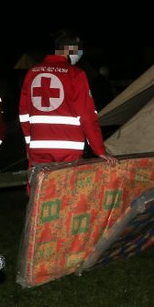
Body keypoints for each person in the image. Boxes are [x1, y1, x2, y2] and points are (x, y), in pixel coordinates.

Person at [18, 32, 117, 192]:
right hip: (68, 147)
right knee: (67, 192)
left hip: (39, 147)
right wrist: (99, 150)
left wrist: (29, 145)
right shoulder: (75, 73)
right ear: (69, 49)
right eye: (78, 50)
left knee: (42, 191)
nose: (79, 54)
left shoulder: (33, 72)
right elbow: (87, 116)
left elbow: (24, 114)